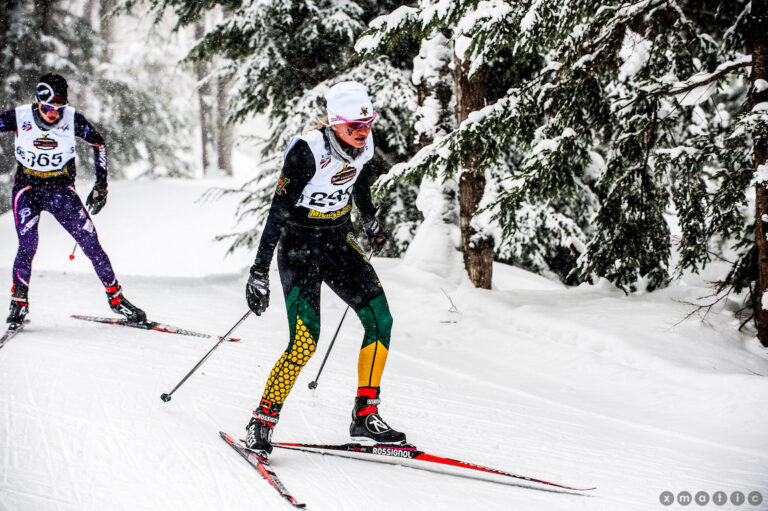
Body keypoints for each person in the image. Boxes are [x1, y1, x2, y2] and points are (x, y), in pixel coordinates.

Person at [243, 81, 406, 456]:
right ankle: (261, 421)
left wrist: (370, 220)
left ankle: (365, 413)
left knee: (380, 319)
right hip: (300, 246)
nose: (362, 133)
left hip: (338, 240)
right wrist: (258, 271)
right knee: (304, 342)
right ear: (334, 123)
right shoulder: (307, 151)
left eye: (367, 124)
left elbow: (361, 181)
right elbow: (277, 212)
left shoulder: (363, 143)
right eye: (353, 127)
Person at [2, 73, 145, 327]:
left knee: (91, 243)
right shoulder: (20, 116)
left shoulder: (72, 120)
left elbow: (98, 143)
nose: (53, 114)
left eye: (59, 108)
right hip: (28, 190)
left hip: (60, 191)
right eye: (48, 108)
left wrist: (101, 186)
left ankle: (116, 298)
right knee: (28, 245)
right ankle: (18, 302)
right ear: (37, 102)